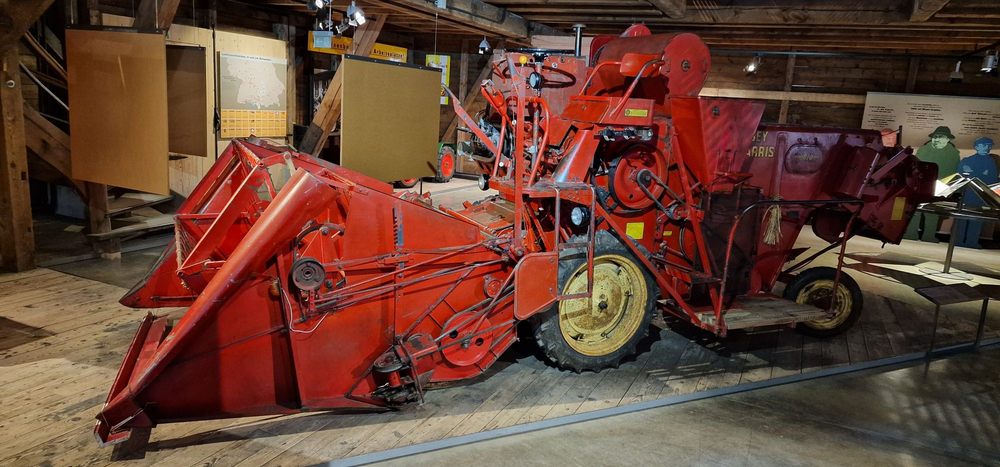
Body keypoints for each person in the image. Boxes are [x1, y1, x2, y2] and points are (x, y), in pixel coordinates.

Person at [904, 126, 961, 242]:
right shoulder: (924, 150)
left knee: (933, 211)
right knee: (916, 209)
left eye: (941, 137)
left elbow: (952, 171)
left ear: (948, 139)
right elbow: (917, 166)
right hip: (921, 185)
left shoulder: (953, 153)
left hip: (939, 186)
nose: (937, 139)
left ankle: (928, 235)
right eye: (935, 137)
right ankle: (911, 233)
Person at [954, 137, 998, 248]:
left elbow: (992, 179)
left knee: (977, 219)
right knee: (963, 218)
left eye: (988, 145)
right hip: (968, 193)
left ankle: (971, 241)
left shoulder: (991, 162)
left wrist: (974, 173)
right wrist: (982, 174)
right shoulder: (968, 160)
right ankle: (958, 240)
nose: (986, 148)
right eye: (983, 145)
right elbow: (961, 174)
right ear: (976, 147)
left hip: (980, 195)